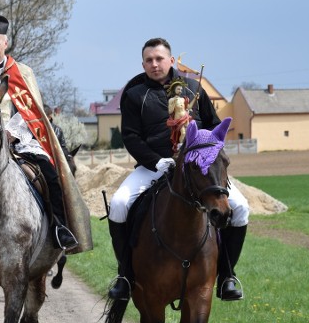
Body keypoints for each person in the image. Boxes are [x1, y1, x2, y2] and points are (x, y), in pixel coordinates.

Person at [106, 37, 249, 301]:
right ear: (143, 64)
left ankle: (227, 276)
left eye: (159, 59)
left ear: (171, 60)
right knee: (118, 204)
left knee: (240, 208)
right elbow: (130, 136)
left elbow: (214, 127)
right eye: (149, 60)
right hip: (154, 167)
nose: (154, 64)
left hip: (197, 169)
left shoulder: (194, 87)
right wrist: (154, 161)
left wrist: (203, 156)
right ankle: (125, 276)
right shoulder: (135, 93)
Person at [0, 11, 79, 250]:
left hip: (18, 141)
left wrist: (10, 134)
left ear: (5, 43)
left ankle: (60, 228)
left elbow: (32, 111)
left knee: (50, 174)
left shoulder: (23, 72)